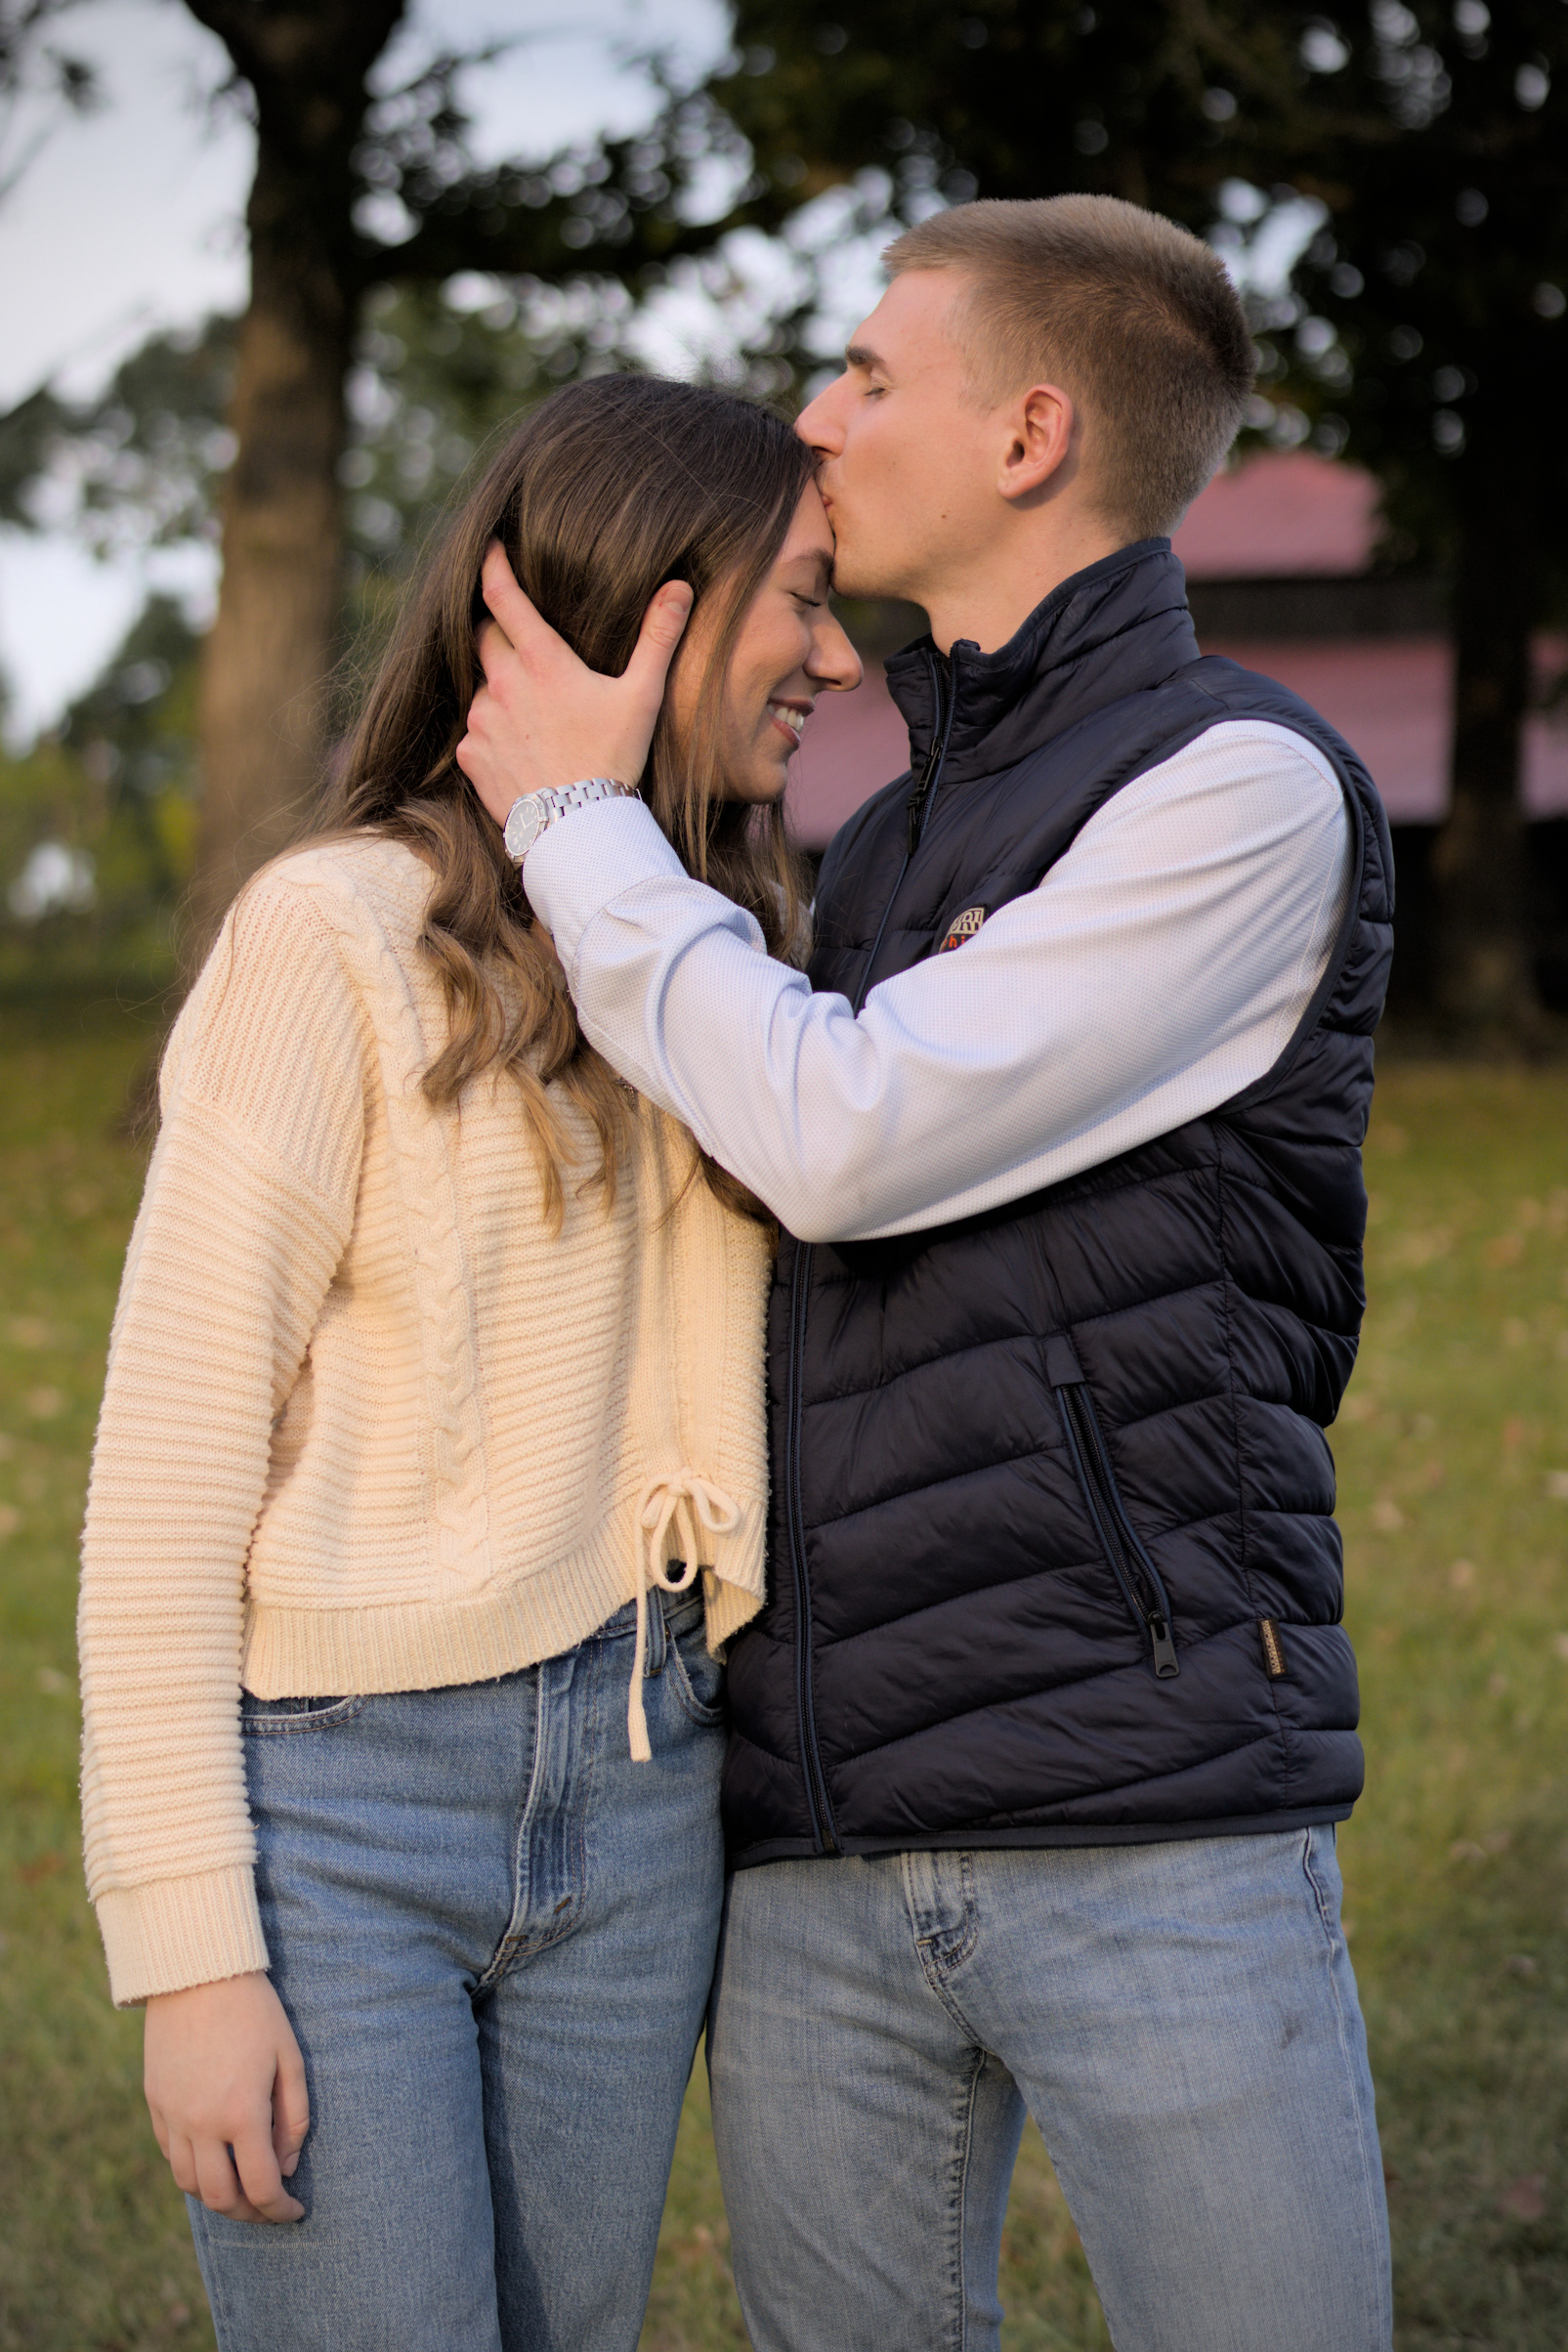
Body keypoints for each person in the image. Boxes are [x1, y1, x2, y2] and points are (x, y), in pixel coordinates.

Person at [457, 196, 1396, 2351]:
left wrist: (576, 825)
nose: (815, 415)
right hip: (815, 1830)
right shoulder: (866, 848)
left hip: (1142, 1805)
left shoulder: (1237, 792)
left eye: (871, 374)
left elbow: (844, 1132)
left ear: (1029, 433)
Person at [75, 373, 859, 2352]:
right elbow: (165, 1476)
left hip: (642, 1781)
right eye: (802, 598)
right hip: (341, 1815)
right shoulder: (329, 936)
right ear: (659, 608)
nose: (838, 658)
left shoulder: (712, 954)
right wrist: (191, 1955)